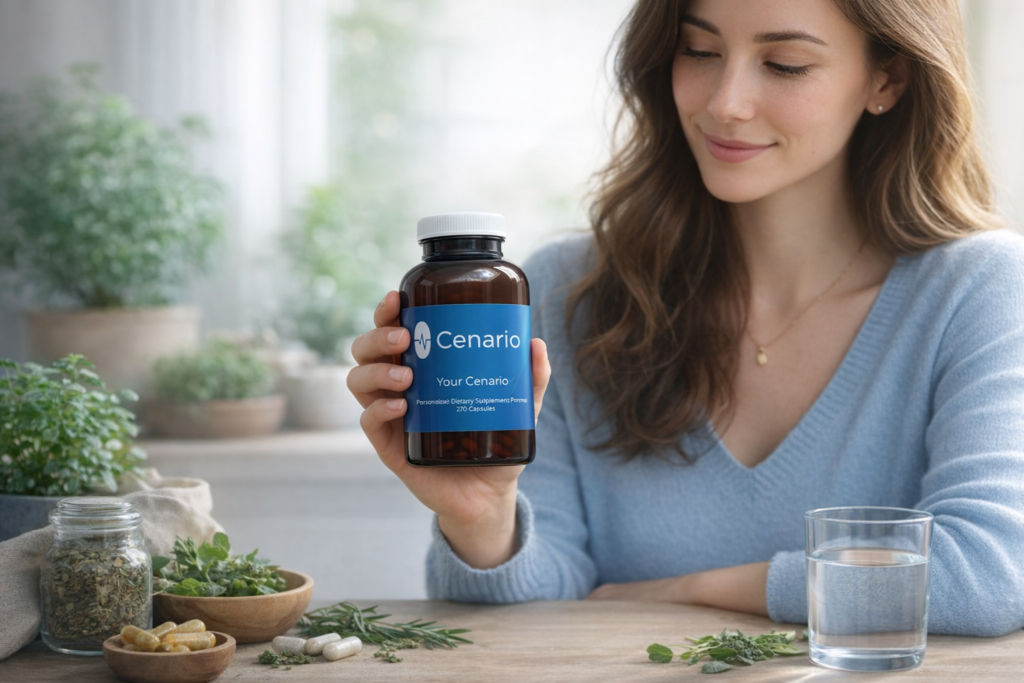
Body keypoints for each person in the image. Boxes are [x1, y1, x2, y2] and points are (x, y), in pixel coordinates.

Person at [349, 0, 1024, 637]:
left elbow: (989, 574)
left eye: (785, 64)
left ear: (888, 78)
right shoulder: (561, 290)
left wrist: (686, 589)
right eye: (698, 50)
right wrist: (482, 515)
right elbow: (535, 614)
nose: (724, 103)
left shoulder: (979, 288)